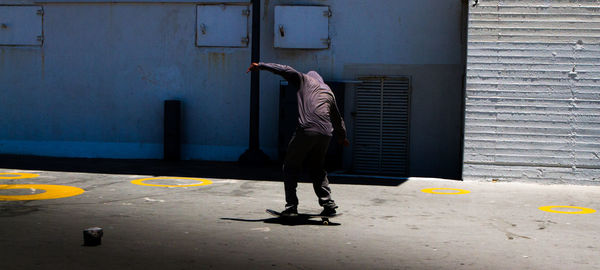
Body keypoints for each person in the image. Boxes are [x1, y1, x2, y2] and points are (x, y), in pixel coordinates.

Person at [247, 62, 349, 217]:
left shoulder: (304, 80)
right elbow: (337, 118)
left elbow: (286, 70)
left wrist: (261, 65)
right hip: (326, 133)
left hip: (307, 129)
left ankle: (291, 207)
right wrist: (342, 137)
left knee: (290, 166)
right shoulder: (328, 91)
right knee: (317, 168)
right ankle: (328, 204)